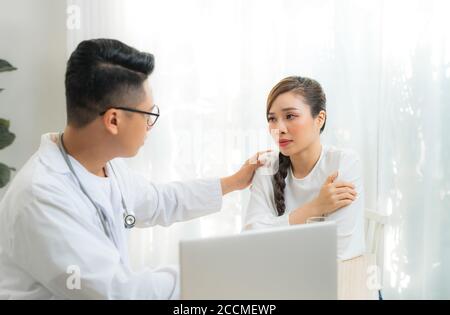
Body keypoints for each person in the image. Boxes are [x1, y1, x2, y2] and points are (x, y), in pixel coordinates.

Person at [0, 39, 265, 299]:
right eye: (148, 114)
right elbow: (118, 292)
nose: (151, 124)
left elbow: (158, 201)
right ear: (113, 120)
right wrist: (208, 274)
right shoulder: (41, 196)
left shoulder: (105, 166)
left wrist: (234, 181)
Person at [244, 76, 365, 260]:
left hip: (342, 282)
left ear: (320, 119)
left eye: (290, 116)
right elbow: (250, 242)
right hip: (284, 282)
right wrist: (315, 207)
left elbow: (338, 253)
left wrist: (273, 239)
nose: (279, 128)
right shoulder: (266, 166)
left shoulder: (344, 162)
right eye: (272, 119)